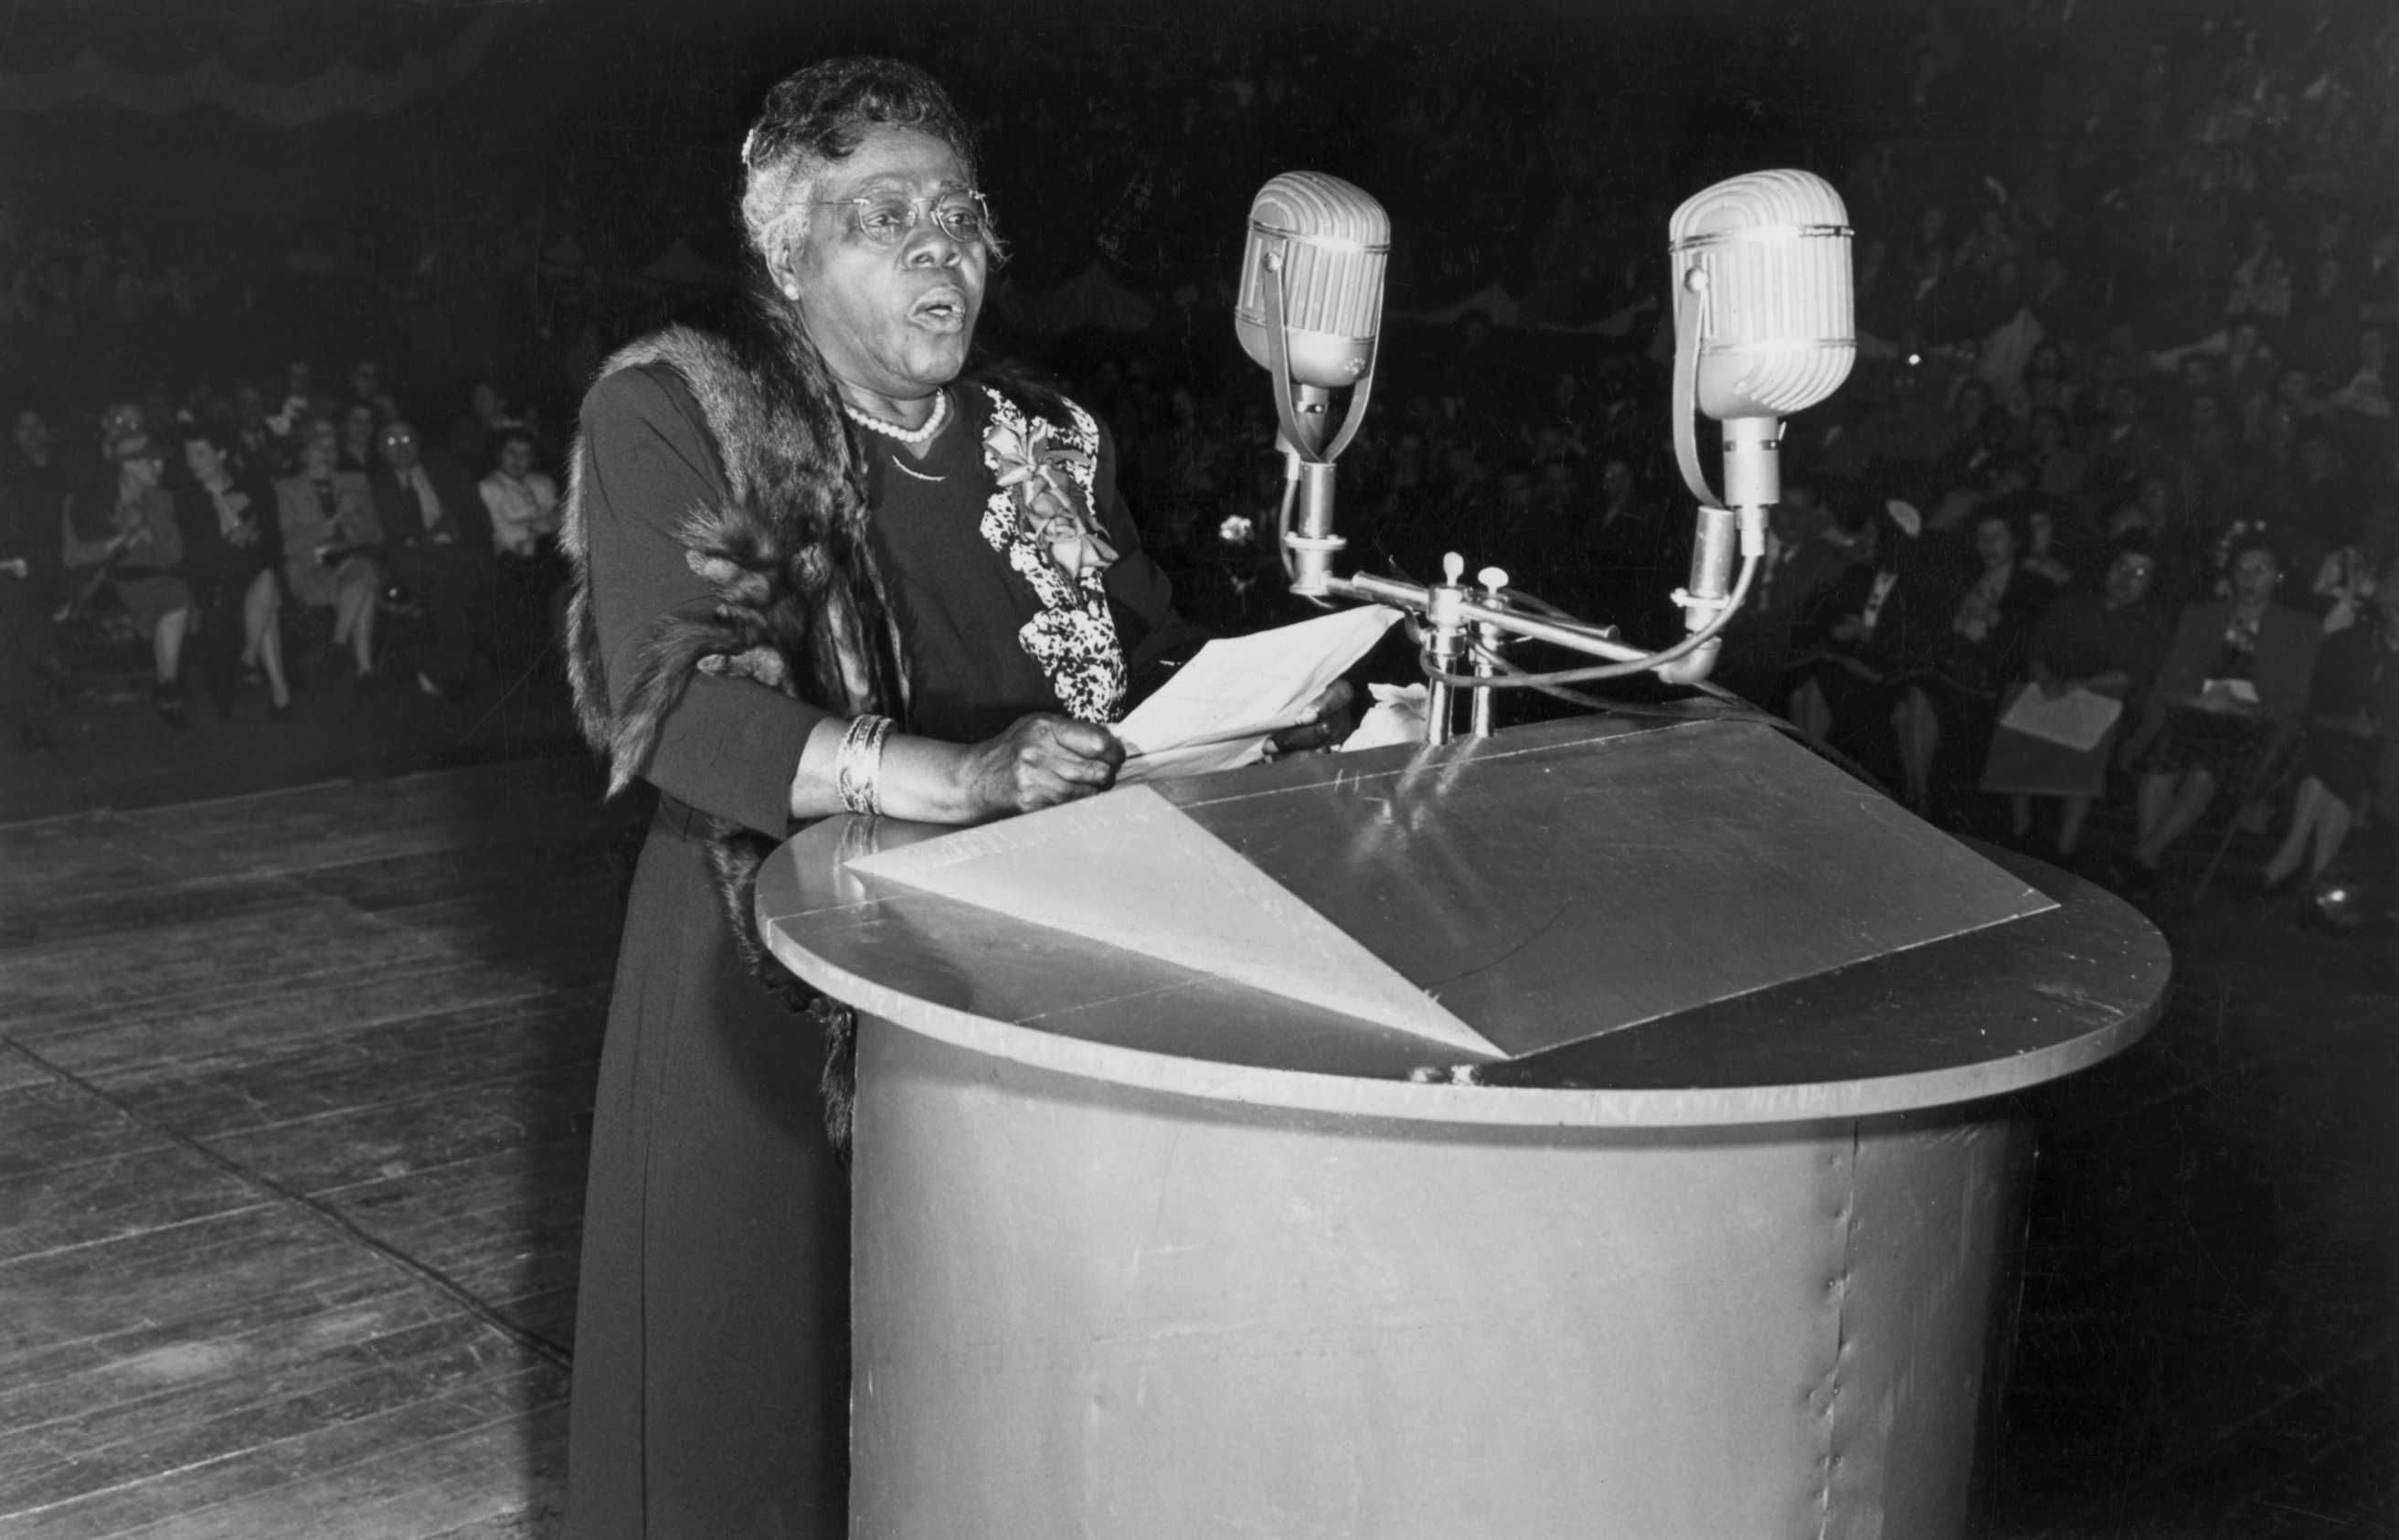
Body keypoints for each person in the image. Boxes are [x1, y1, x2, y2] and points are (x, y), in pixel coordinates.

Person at [558, 58, 1339, 1538]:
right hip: (773, 996)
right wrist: (951, 776)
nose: (941, 245)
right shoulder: (682, 411)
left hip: (1032, 995)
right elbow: (679, 708)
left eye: (962, 215)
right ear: (786, 255)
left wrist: (1302, 705)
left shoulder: (1047, 440)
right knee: (771, 1421)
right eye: (886, 214)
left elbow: (1143, 665)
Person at [2121, 533, 2320, 883]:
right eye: (2242, 569)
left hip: (2253, 728)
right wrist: (2199, 701)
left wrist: (2244, 708)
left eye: (2260, 570)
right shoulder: (2202, 616)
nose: (2249, 579)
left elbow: (2296, 700)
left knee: (2204, 770)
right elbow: (2171, 680)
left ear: (2277, 576)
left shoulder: (2298, 628)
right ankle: (2149, 863)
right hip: (2195, 713)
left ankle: (2144, 855)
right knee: (2159, 765)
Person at [1985, 539, 2171, 857]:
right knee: (2020, 712)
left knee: (2090, 731)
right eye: (2121, 567)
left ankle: (2065, 846)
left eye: (2139, 573)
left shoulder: (2149, 624)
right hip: (2054, 688)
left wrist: (2074, 686)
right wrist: (2044, 678)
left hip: (2107, 701)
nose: (2126, 578)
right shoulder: (2073, 603)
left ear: (2151, 583)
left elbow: (2128, 677)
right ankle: (2021, 827)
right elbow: (2039, 649)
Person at [61, 430, 196, 728]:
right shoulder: (83, 502)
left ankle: (167, 686)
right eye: (152, 462)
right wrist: (120, 541)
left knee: (177, 591)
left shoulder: (160, 498)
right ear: (128, 465)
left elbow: (173, 557)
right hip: (108, 582)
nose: (160, 468)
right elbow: (73, 556)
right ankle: (167, 688)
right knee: (174, 594)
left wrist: (153, 528)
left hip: (155, 578)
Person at [368, 418, 494, 696]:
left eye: (407, 439)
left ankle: (440, 668)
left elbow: (481, 520)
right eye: (391, 442)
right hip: (414, 559)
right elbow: (392, 535)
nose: (401, 447)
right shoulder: (378, 485)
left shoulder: (444, 470)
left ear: (418, 443)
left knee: (450, 581)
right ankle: (453, 671)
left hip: (459, 552)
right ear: (380, 451)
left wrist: (455, 526)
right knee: (446, 583)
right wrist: (427, 535)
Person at [176, 426, 290, 718]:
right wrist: (234, 539)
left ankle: (253, 661)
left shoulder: (251, 485)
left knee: (266, 578)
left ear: (221, 454)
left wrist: (251, 534)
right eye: (189, 454)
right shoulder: (188, 497)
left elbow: (273, 536)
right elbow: (198, 553)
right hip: (217, 579)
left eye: (201, 453)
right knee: (267, 596)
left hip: (255, 567)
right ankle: (273, 685)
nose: (193, 461)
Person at [273, 424, 382, 686]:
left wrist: (353, 517)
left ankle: (340, 646)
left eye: (332, 447)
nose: (327, 453)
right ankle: (363, 668)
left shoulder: (356, 482)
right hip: (312, 566)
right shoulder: (285, 489)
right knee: (366, 582)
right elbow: (288, 545)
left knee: (363, 569)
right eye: (318, 447)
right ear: (302, 454)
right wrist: (332, 523)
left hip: (351, 558)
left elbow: (377, 535)